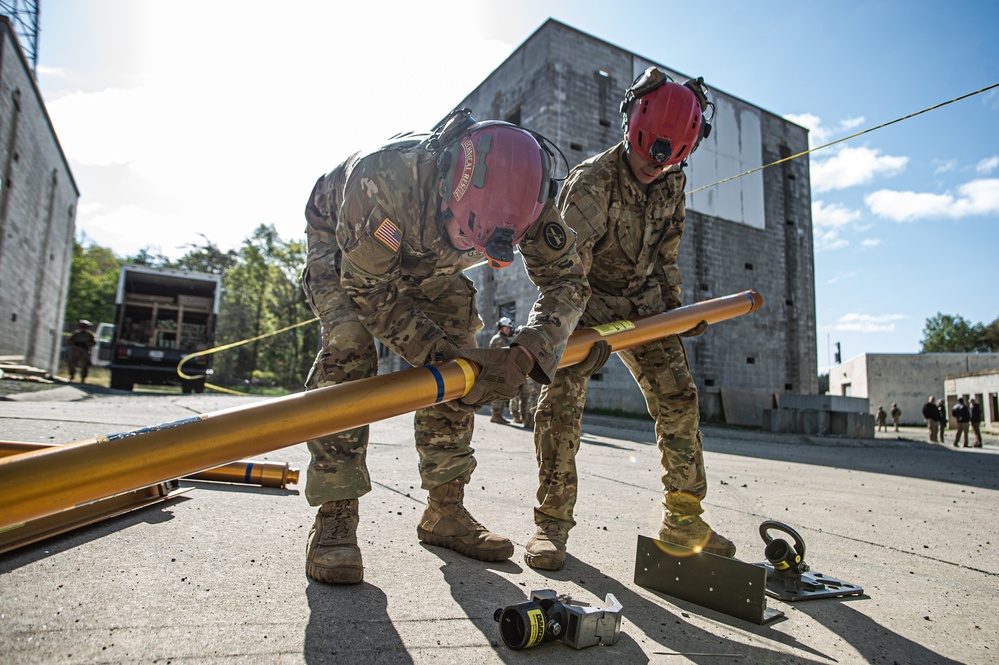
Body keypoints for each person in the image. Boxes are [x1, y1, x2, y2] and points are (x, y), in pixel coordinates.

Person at [300, 109, 589, 584]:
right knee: (350, 346)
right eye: (467, 234)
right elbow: (370, 293)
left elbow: (569, 281)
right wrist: (437, 355)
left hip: (430, 264)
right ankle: (336, 515)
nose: (472, 250)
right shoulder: (383, 182)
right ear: (448, 189)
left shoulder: (528, 200)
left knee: (461, 355)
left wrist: (527, 352)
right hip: (347, 245)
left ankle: (445, 512)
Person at [526, 67, 731, 572]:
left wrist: (676, 314)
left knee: (679, 396)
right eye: (647, 154)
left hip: (640, 303)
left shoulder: (670, 181)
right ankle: (551, 526)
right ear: (631, 129)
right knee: (561, 398)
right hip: (583, 299)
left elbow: (664, 259)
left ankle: (683, 522)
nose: (653, 168)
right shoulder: (593, 184)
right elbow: (563, 275)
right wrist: (579, 336)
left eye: (668, 160)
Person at [488, 317, 516, 423]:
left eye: (509, 328)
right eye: (506, 328)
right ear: (501, 327)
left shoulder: (504, 339)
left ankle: (498, 415)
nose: (508, 330)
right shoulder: (499, 339)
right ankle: (495, 415)